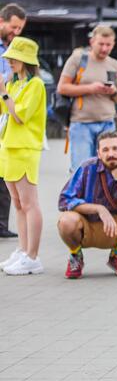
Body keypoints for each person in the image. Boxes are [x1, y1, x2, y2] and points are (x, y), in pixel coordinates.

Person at [58, 131, 117, 279]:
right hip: (88, 223)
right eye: (105, 150)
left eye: (115, 148)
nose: (111, 154)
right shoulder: (87, 167)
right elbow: (65, 200)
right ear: (99, 153)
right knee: (66, 221)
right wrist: (98, 209)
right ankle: (75, 255)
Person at [0, 37, 47, 275]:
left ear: (26, 60)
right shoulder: (12, 83)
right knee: (18, 204)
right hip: (8, 146)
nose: (9, 61)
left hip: (26, 147)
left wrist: (3, 94)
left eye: (13, 58)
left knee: (29, 203)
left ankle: (33, 256)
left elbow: (19, 116)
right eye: (8, 57)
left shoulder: (35, 84)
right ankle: (22, 250)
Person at [57, 25, 117, 172]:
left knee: (108, 170)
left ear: (113, 44)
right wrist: (91, 88)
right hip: (81, 123)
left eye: (108, 45)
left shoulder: (115, 65)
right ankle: (82, 196)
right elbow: (62, 88)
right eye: (101, 44)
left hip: (107, 123)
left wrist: (113, 91)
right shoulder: (78, 60)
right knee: (82, 170)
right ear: (92, 42)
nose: (104, 48)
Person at [0, 3, 26, 239]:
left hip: (3, 114)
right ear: (2, 20)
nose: (16, 32)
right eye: (14, 26)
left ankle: (1, 225)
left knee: (4, 171)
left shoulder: (10, 48)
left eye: (20, 28)